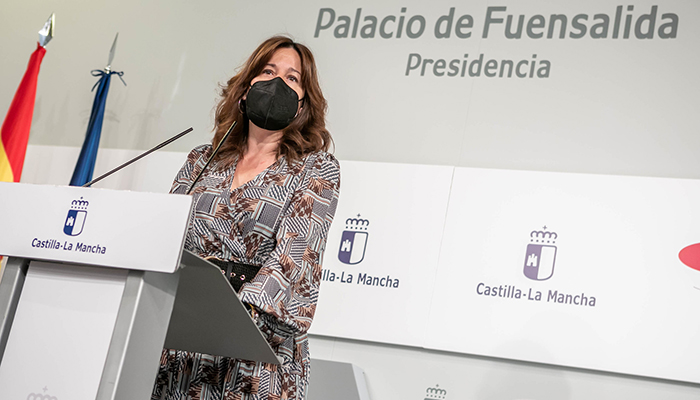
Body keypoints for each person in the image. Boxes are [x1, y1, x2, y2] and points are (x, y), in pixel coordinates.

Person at [152, 36, 340, 400]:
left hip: (256, 350)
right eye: (268, 71)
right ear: (246, 86)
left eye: (292, 78)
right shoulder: (201, 159)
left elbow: (296, 256)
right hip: (182, 346)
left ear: (303, 103)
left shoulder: (316, 167)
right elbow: (167, 238)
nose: (277, 83)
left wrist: (228, 316)